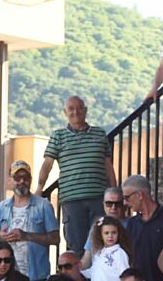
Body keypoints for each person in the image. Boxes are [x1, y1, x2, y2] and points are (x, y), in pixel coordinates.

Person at [39, 96, 115, 258]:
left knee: (102, 245)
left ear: (85, 110)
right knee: (77, 248)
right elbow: (47, 164)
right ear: (65, 112)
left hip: (99, 199)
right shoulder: (58, 136)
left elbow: (108, 165)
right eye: (71, 108)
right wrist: (39, 188)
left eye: (79, 107)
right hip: (72, 201)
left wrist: (114, 190)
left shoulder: (99, 133)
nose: (76, 112)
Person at [0, 160, 60, 281]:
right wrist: (1, 237)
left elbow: (55, 239)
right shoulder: (1, 208)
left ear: (30, 180)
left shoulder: (43, 205)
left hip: (36, 277)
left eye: (26, 177)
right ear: (10, 180)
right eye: (17, 178)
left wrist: (26, 236)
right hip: (8, 275)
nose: (22, 181)